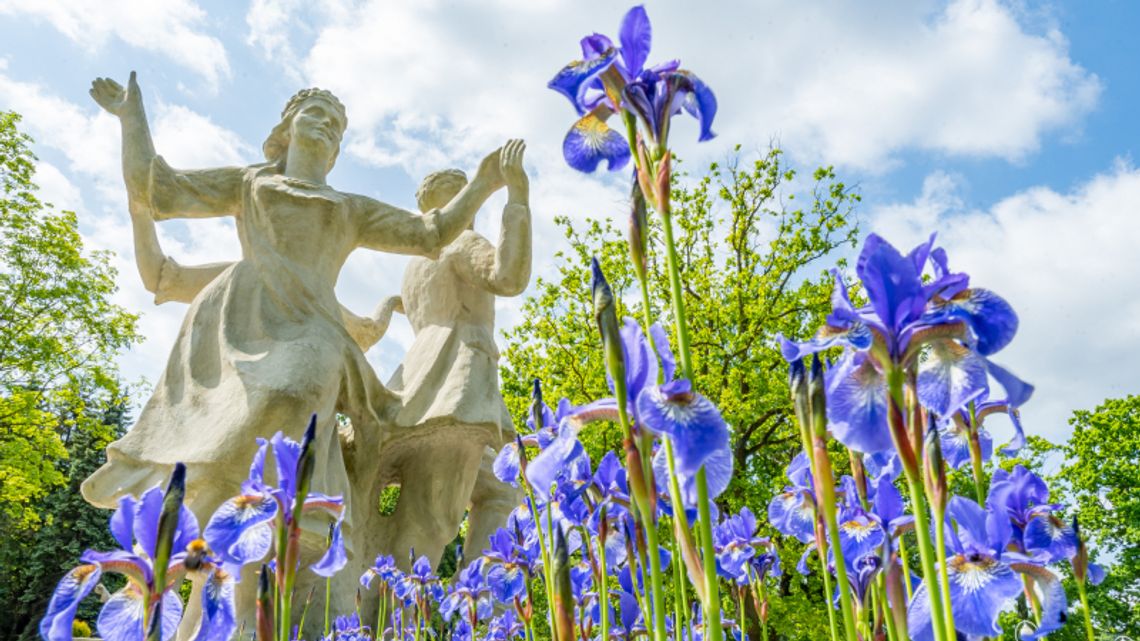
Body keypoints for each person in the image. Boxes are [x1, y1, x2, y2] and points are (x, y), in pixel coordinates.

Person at [83, 71, 511, 625]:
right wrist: (130, 117)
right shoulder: (251, 183)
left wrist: (484, 182)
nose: (327, 128)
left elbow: (431, 233)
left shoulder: (349, 208)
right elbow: (156, 189)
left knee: (299, 387)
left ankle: (297, 522)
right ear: (284, 129)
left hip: (312, 330)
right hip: (242, 324)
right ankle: (228, 563)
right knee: (225, 455)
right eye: (316, 115)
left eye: (337, 127)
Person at [350, 142, 531, 576]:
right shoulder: (462, 242)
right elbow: (508, 277)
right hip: (459, 378)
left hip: (423, 374)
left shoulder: (414, 266)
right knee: (433, 515)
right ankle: (401, 613)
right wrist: (518, 199)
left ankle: (483, 601)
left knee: (502, 491)